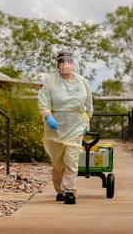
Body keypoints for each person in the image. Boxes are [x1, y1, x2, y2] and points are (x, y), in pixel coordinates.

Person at [38, 51, 93, 205]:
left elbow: (89, 103)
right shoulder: (51, 83)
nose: (66, 65)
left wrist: (86, 120)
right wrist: (47, 115)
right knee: (58, 161)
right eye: (63, 62)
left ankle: (69, 191)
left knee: (71, 158)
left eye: (69, 62)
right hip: (55, 126)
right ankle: (59, 190)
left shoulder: (82, 82)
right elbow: (43, 102)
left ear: (73, 64)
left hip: (76, 123)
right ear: (58, 65)